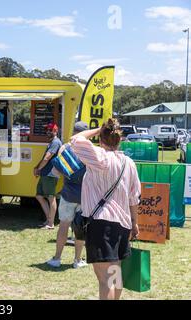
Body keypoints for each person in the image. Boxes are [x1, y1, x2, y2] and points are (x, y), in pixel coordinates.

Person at [70, 119, 141, 300]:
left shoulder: (99, 157)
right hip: (123, 224)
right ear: (119, 140)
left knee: (105, 280)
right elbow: (134, 197)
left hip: (101, 223)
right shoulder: (129, 163)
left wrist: (97, 130)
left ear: (101, 140)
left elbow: (76, 139)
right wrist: (135, 223)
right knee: (115, 275)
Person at [46, 121, 89, 269]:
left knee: (64, 225)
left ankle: (57, 258)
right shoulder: (90, 150)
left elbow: (57, 170)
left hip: (68, 193)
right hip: (84, 196)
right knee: (80, 228)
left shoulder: (65, 147)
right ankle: (77, 260)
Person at [34, 123, 62, 230]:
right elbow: (44, 159)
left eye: (51, 130)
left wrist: (38, 169)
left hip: (50, 174)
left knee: (51, 197)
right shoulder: (52, 142)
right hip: (45, 173)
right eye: (47, 130)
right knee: (39, 196)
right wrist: (37, 167)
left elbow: (47, 158)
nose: (48, 132)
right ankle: (48, 219)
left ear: (56, 131)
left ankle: (51, 223)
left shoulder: (55, 142)